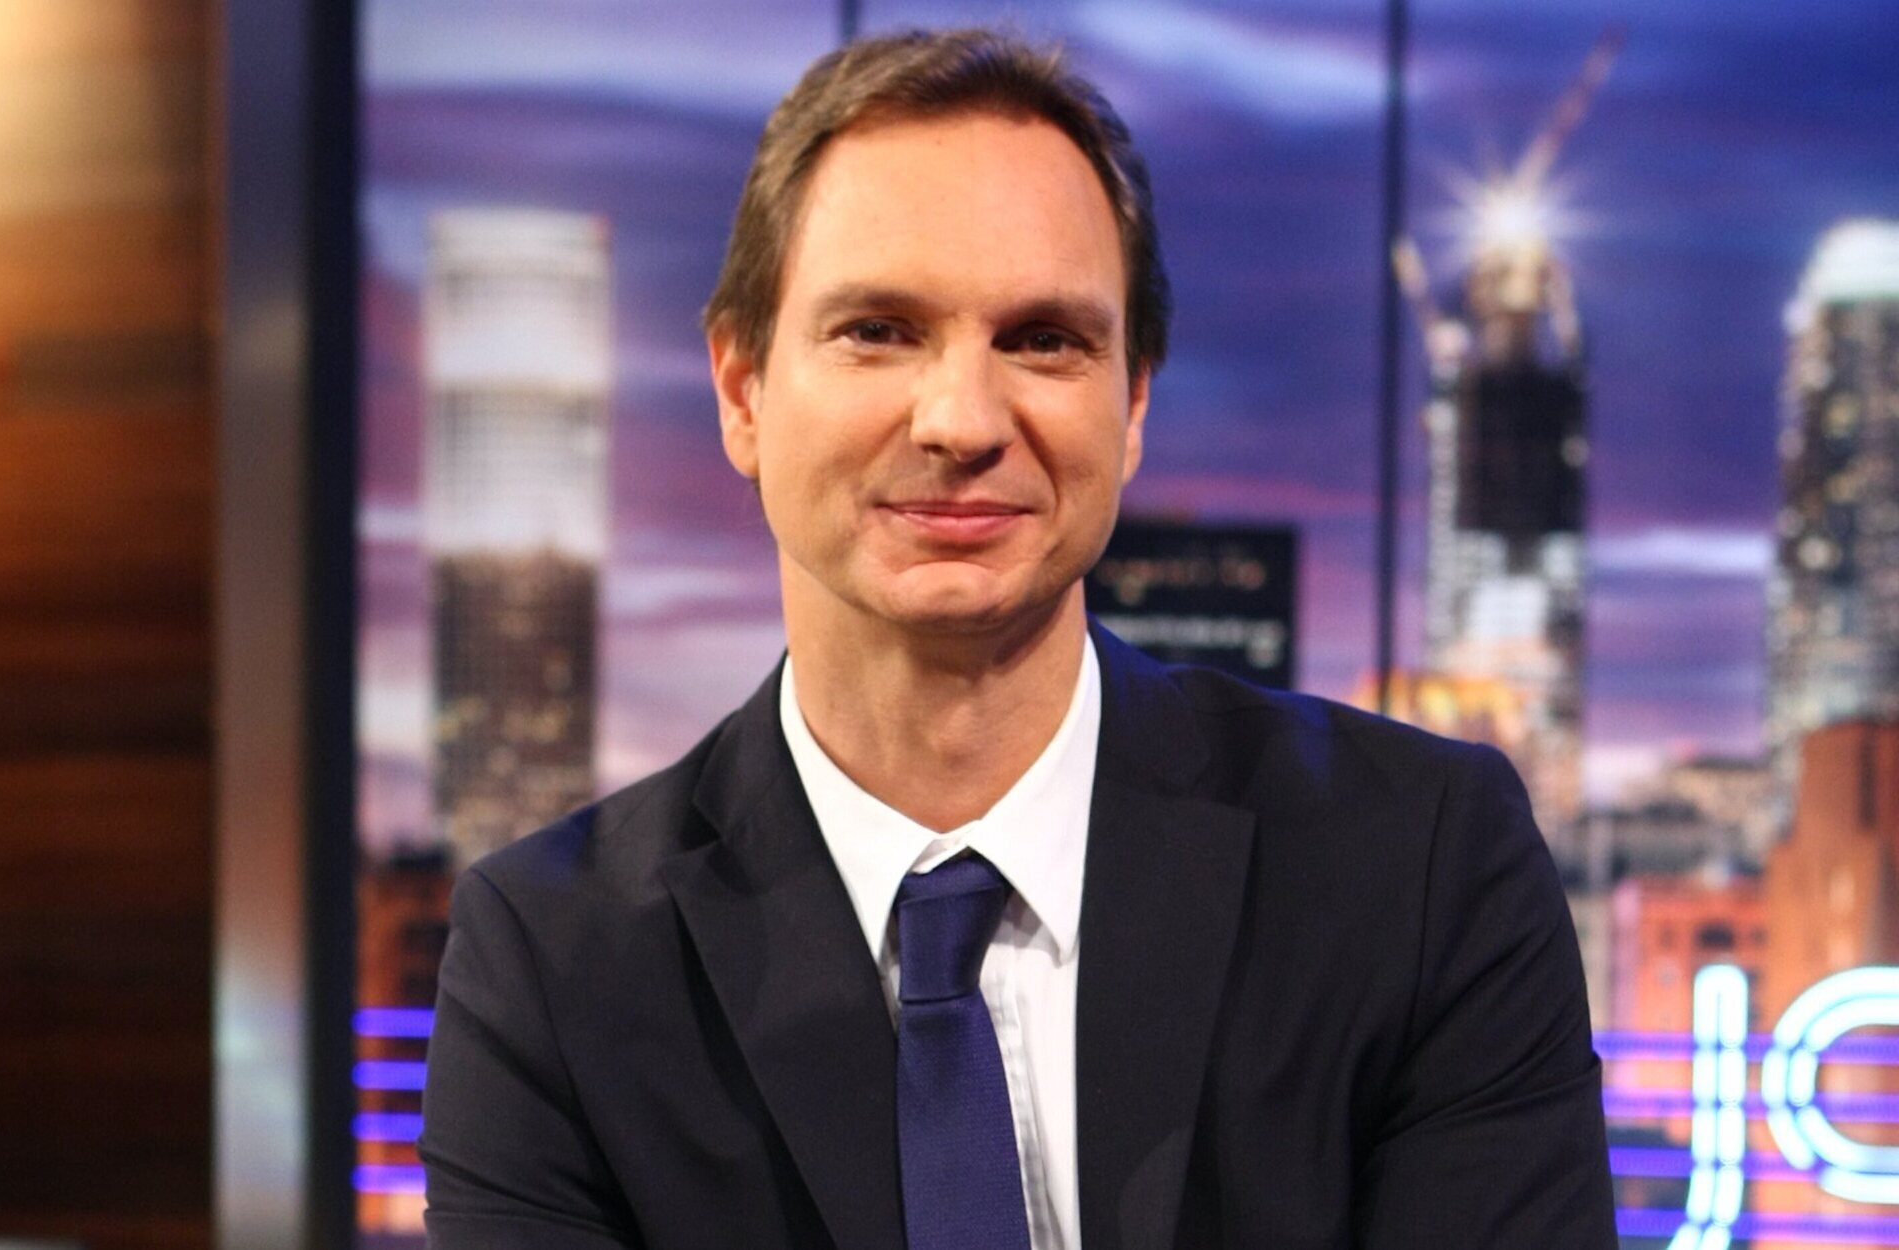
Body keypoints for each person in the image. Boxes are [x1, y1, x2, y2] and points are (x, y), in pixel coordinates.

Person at [419, 27, 1616, 1250]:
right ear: (742, 390)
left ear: (1131, 402)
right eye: (877, 329)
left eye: (1042, 339)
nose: (961, 419)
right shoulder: (551, 965)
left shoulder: (1420, 869)